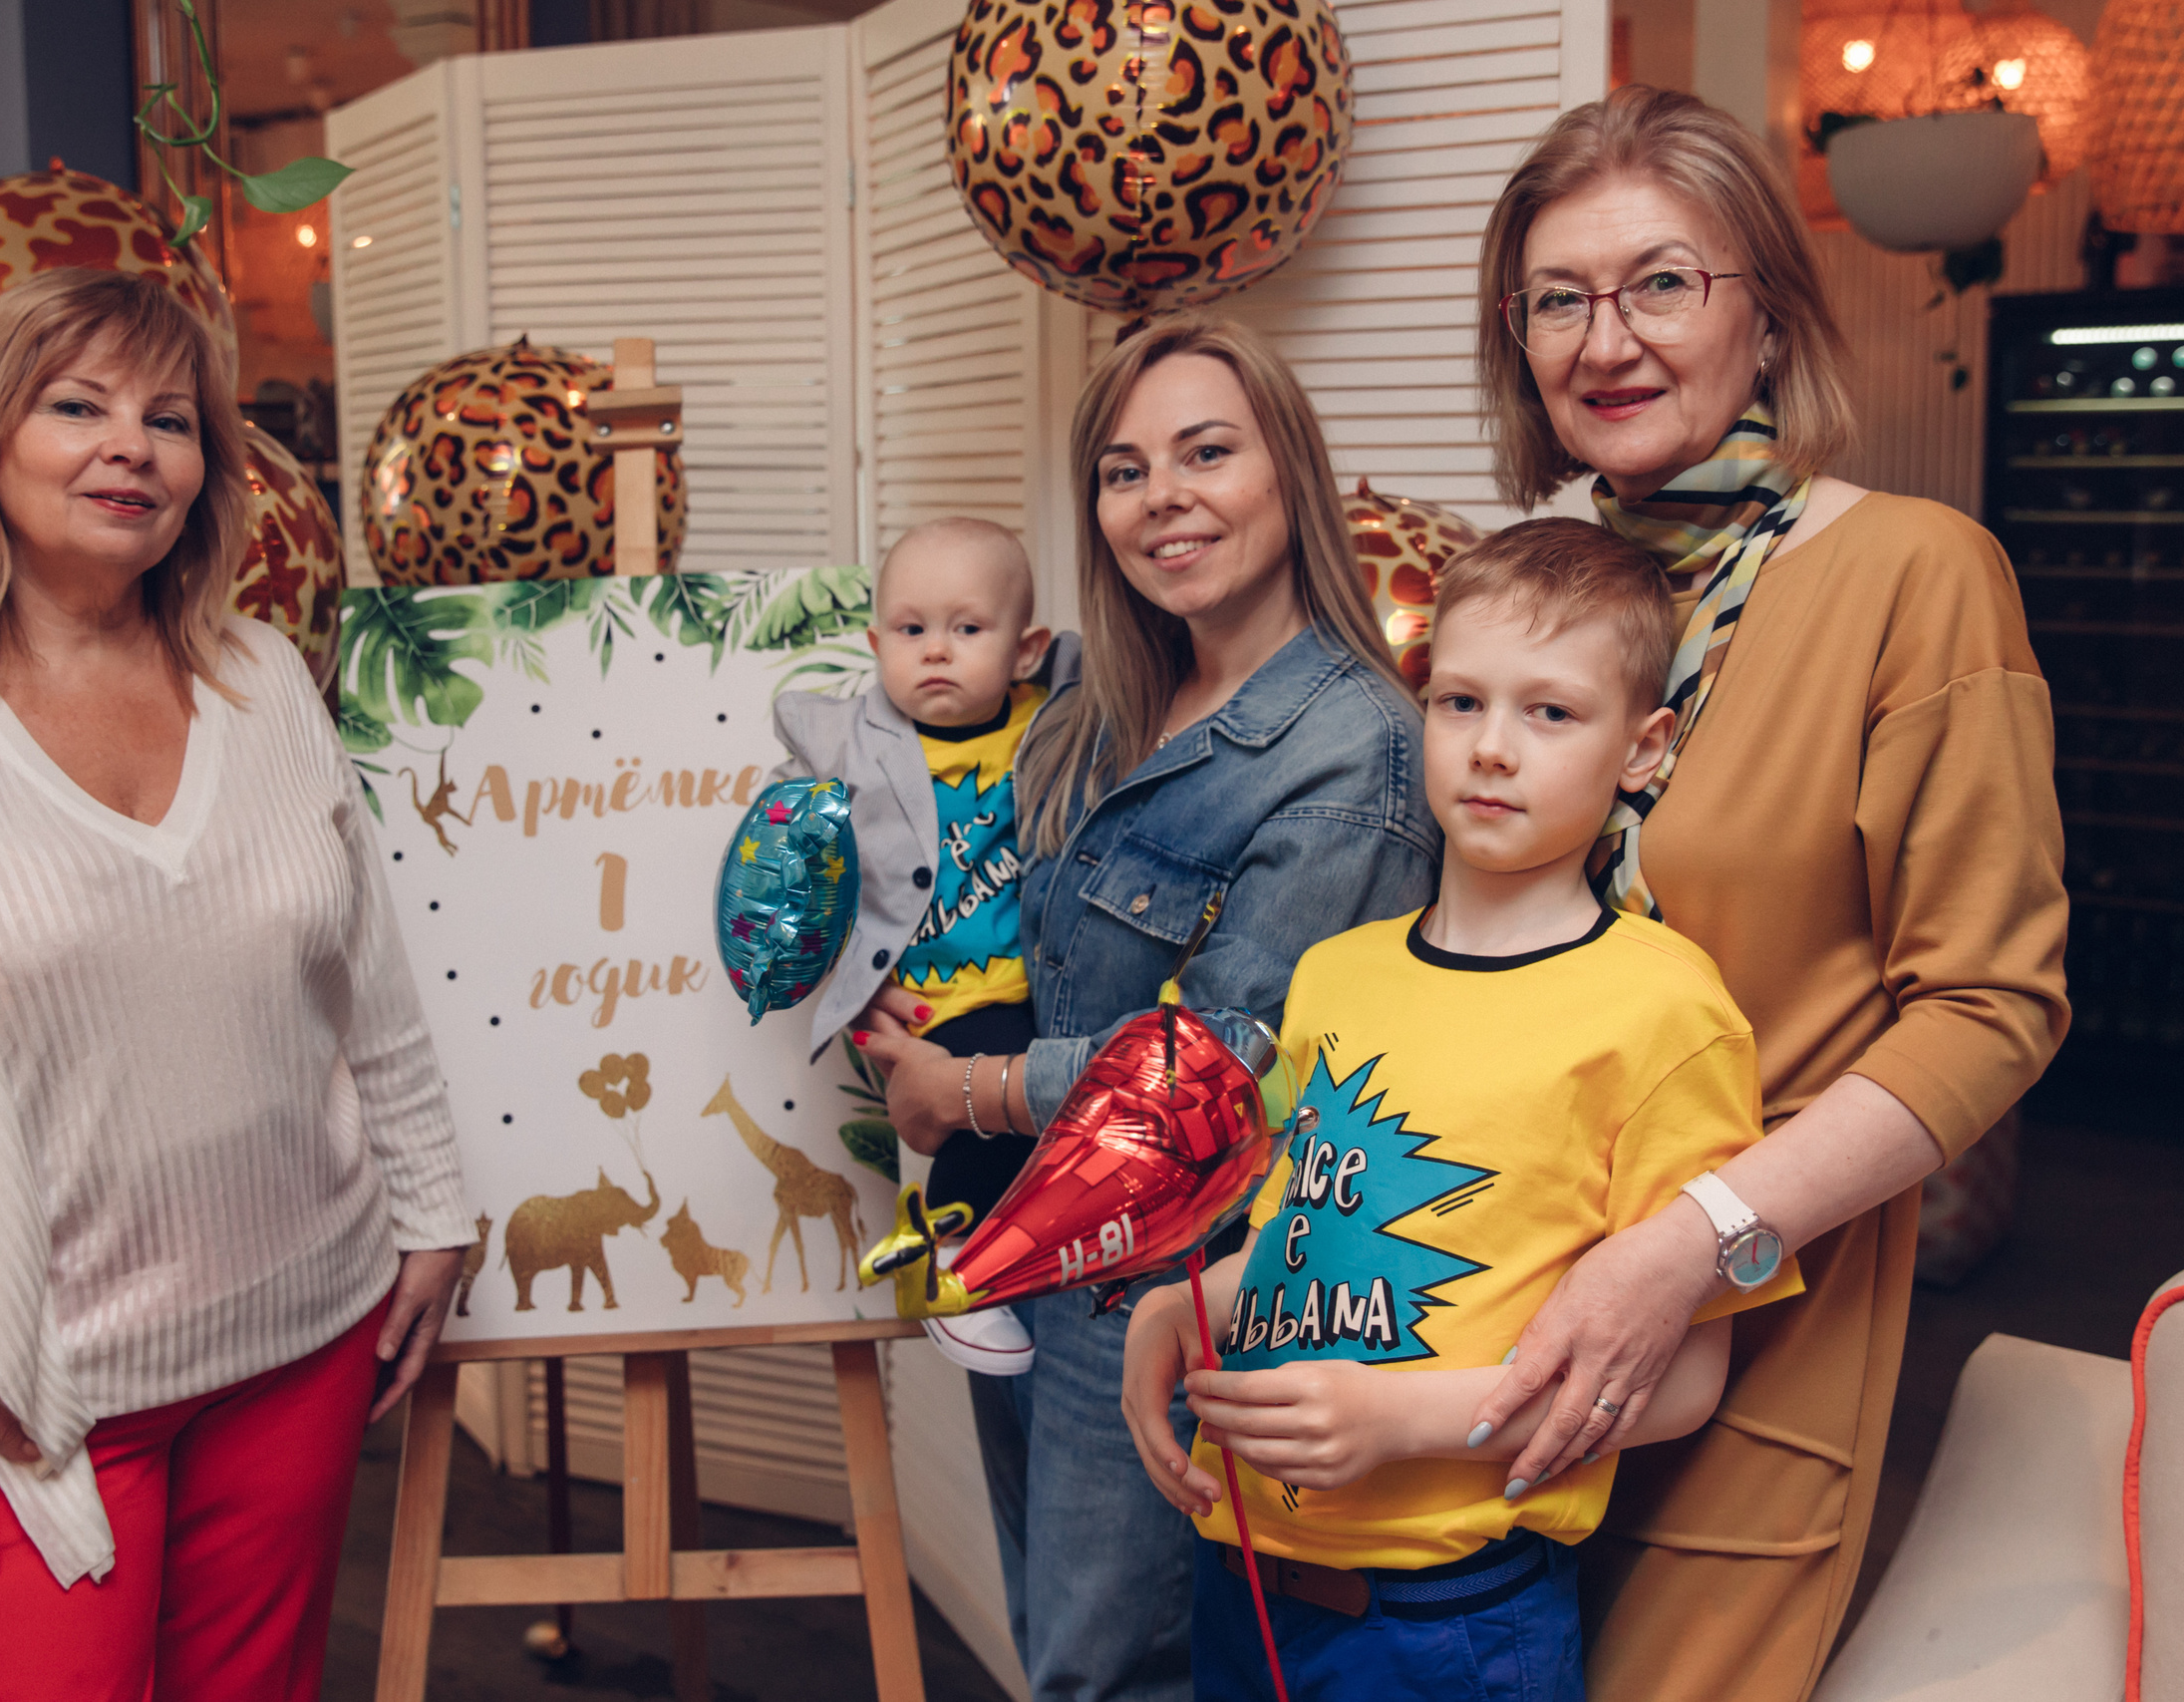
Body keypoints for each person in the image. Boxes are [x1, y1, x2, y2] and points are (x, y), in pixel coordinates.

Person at [0, 267, 472, 1701]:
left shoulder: (261, 680)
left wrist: (429, 1206)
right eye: (77, 405)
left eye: (170, 419)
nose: (131, 445)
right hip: (19, 1391)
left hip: (298, 1334)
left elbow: (365, 983)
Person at [1450, 87, 2068, 1699]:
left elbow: (1993, 1003)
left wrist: (1695, 1242)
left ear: (1769, 314)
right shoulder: (1523, 594)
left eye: (1663, 281)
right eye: (1558, 299)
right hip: (1477, 1293)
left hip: (1749, 1321)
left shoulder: (1913, 576)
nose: (1608, 340)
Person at [1120, 518, 1803, 1701]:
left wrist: (1403, 1423)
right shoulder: (1336, 973)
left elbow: (1679, 1382)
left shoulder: (1663, 1009)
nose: (1493, 749)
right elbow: (1314, 1238)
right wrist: (1174, 1315)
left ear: (1643, 749)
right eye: (1459, 703)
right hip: (1239, 1573)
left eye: (1550, 714)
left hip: (1450, 1618)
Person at [858, 317, 1440, 1700]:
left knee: (1112, 1672)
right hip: (1021, 1247)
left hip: (1165, 1285)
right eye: (1124, 469)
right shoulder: (1096, 702)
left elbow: (1228, 1061)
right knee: (1059, 1647)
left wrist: (976, 1091)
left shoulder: (1356, 747)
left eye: (1206, 451)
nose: (1162, 494)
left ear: (1288, 470)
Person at [768, 516, 1065, 1375]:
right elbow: (784, 870)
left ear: (1024, 648)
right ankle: (956, 1262)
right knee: (980, 1117)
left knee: (1033, 1135)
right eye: (911, 630)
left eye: (968, 629)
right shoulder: (850, 749)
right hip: (922, 1000)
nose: (936, 650)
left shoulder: (1051, 722)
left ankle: (945, 1241)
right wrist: (844, 976)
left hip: (1029, 988)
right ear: (875, 642)